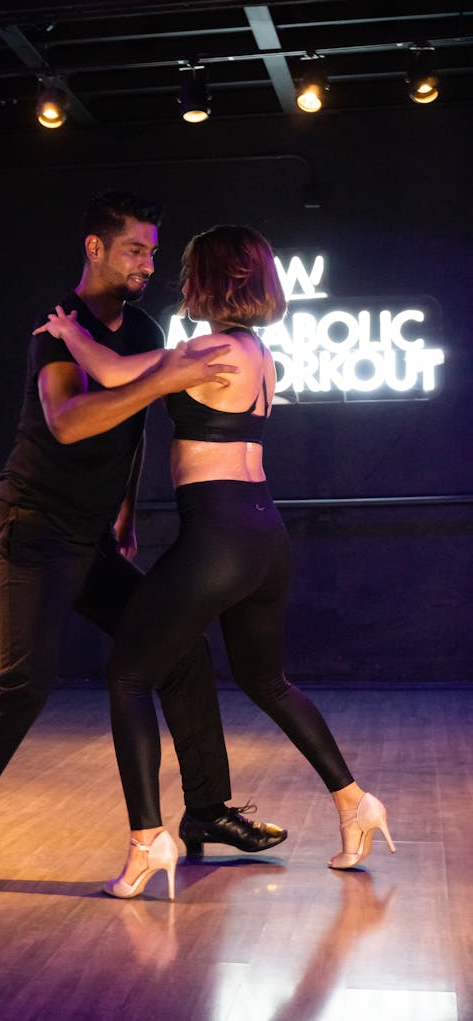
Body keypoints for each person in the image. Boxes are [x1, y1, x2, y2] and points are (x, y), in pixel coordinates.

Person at [0, 193, 286, 893]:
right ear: (95, 248)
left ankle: (206, 810)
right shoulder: (58, 331)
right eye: (135, 250)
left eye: (151, 250)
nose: (148, 264)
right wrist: (160, 379)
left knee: (179, 652)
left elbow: (136, 426)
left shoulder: (140, 325)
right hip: (32, 528)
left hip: (89, 535)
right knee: (25, 683)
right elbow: (71, 421)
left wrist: (124, 510)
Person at [35, 223, 395, 901]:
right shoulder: (257, 351)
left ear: (213, 280)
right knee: (268, 680)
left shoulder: (211, 349)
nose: (177, 276)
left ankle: (148, 841)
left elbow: (114, 378)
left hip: (219, 536)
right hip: (265, 534)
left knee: (130, 673)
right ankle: (355, 803)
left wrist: (70, 332)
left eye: (189, 268)